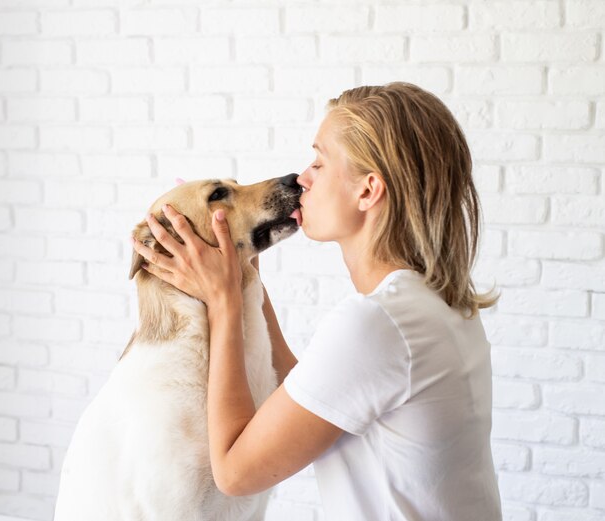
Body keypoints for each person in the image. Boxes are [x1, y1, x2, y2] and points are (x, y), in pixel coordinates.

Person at [132, 82, 503, 521]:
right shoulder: (435, 303)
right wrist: (243, 274)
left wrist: (224, 301)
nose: (301, 178)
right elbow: (305, 390)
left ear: (367, 191)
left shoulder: (377, 324)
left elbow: (234, 471)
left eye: (319, 163)